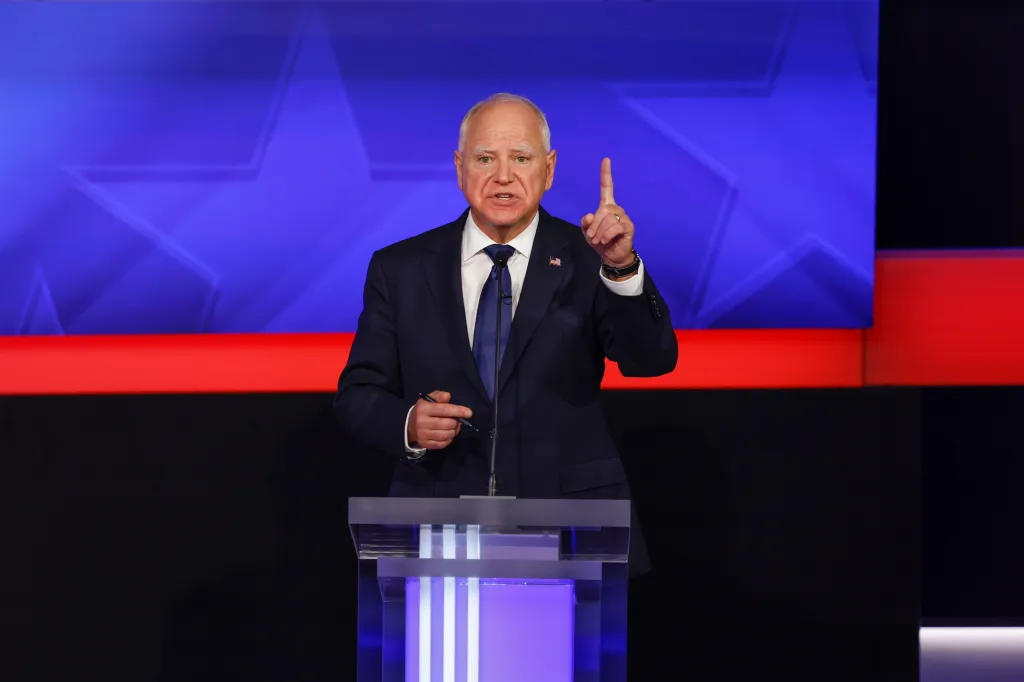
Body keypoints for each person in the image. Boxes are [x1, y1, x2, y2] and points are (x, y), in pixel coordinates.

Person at [334, 93, 676, 507]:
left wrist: (621, 268)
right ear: (460, 169)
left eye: (521, 158)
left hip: (568, 517)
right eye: (484, 159)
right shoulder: (400, 268)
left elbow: (651, 361)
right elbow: (358, 394)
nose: (502, 176)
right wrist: (408, 423)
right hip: (439, 512)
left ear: (548, 169)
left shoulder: (591, 259)